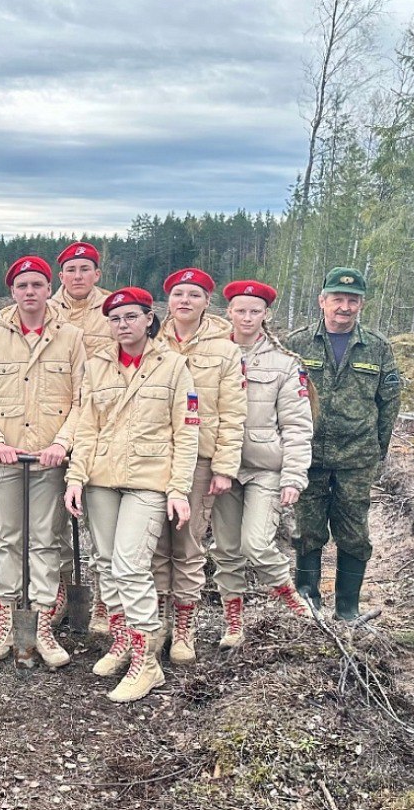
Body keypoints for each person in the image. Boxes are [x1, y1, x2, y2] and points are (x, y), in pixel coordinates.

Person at [64, 287, 197, 703]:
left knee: (130, 565)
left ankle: (147, 663)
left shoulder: (173, 366)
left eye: (131, 317)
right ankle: (123, 643)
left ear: (148, 318)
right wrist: (75, 477)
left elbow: (186, 431)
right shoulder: (97, 366)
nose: (123, 325)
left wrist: (178, 488)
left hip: (149, 479)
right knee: (105, 562)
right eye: (116, 319)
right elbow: (86, 427)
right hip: (102, 477)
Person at [0, 256, 85, 669]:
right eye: (22, 286)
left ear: (47, 289)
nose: (30, 292)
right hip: (6, 458)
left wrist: (62, 442)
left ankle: (40, 624)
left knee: (43, 540)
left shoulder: (70, 337)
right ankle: (4, 619)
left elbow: (81, 399)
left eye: (37, 285)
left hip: (48, 460)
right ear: (12, 292)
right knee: (7, 539)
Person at [285, 267, 400, 621]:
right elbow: (281, 398)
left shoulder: (377, 347)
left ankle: (348, 609)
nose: (344, 307)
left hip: (356, 457)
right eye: (338, 299)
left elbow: (389, 403)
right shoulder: (298, 343)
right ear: (323, 301)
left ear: (361, 304)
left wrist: (377, 453)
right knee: (307, 529)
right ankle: (308, 600)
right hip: (309, 455)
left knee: (353, 533)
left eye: (352, 300)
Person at [209, 282, 313, 648]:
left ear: (266, 314)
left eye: (255, 311)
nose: (247, 317)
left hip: (265, 467)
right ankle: (233, 620)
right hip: (222, 466)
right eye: (240, 310)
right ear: (229, 313)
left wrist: (294, 477)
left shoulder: (285, 364)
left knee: (254, 543)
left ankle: (288, 595)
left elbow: (299, 425)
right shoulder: (213, 354)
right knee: (225, 549)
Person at [156, 268, 247, 664]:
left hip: (199, 460)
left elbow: (233, 413)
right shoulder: (151, 341)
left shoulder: (225, 350)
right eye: (178, 294)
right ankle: (155, 623)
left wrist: (224, 467)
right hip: (153, 458)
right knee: (154, 545)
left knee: (189, 544)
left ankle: (184, 629)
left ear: (208, 301)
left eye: (194, 294)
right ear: (168, 301)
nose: (185, 301)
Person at [51, 242, 114, 633]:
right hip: (54, 426)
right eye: (71, 269)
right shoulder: (43, 306)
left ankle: (105, 601)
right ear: (61, 276)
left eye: (85, 269)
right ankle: (60, 592)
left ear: (97, 275)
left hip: (100, 426)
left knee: (101, 521)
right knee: (54, 521)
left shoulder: (113, 311)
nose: (78, 275)